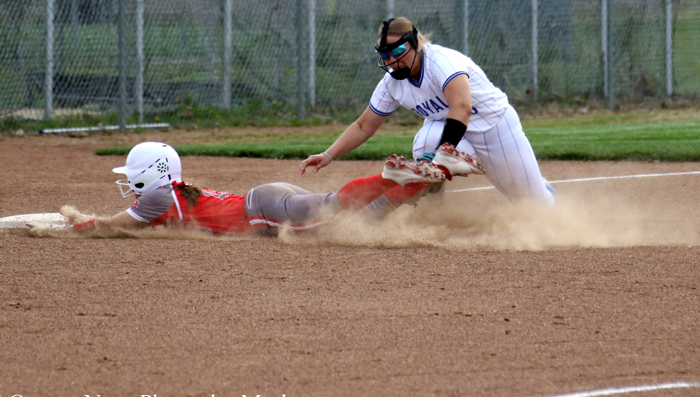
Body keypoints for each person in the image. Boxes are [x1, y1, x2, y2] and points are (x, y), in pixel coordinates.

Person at [299, 17, 554, 204]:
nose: (391, 60)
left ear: (415, 43)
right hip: (448, 129)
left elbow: (462, 108)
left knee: (535, 206)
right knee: (425, 143)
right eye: (385, 55)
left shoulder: (441, 63)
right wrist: (328, 154)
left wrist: (445, 153)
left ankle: (546, 194)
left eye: (397, 52)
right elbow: (364, 126)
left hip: (493, 126)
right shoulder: (392, 84)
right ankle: (433, 214)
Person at [71, 141, 483, 236]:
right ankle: (432, 175)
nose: (128, 181)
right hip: (265, 197)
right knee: (361, 220)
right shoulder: (172, 194)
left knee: (330, 214)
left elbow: (110, 226)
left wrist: (73, 222)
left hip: (262, 211)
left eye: (131, 174)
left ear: (152, 172)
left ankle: (389, 178)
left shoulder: (158, 198)